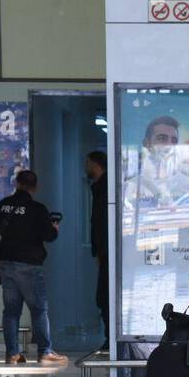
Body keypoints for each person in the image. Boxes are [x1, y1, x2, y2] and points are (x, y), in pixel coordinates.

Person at [0, 170, 67, 366]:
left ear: (17, 183)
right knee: (39, 310)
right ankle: (44, 352)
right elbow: (49, 236)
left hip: (5, 264)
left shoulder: (3, 205)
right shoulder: (37, 209)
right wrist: (54, 228)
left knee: (11, 311)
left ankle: (13, 353)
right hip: (29, 266)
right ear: (35, 187)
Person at [85, 150, 110, 351]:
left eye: (88, 164)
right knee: (103, 297)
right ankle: (109, 337)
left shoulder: (106, 188)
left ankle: (111, 339)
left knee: (105, 296)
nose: (86, 168)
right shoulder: (100, 188)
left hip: (108, 252)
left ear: (96, 165)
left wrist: (101, 251)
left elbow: (102, 223)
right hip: (104, 251)